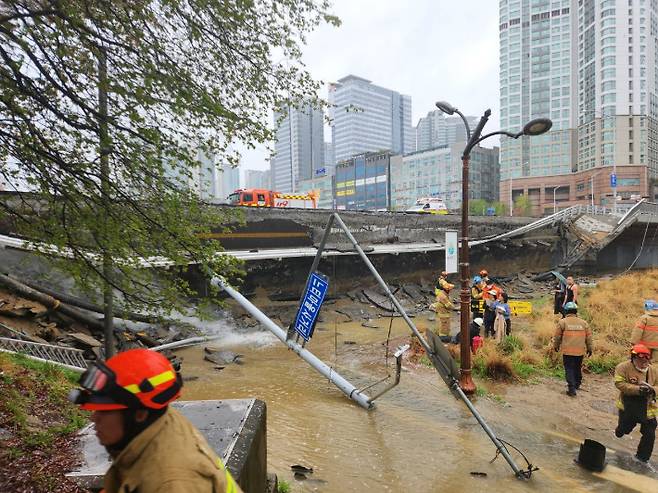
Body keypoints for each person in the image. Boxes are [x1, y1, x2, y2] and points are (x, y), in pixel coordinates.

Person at [69, 348, 243, 493]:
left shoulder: (172, 483)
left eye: (105, 412)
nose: (94, 418)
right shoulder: (159, 419)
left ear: (140, 414)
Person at [614, 344, 658, 464]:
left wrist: (653, 390)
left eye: (646, 360)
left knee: (649, 435)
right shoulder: (622, 367)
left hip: (649, 410)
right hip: (629, 408)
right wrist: (638, 390)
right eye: (641, 360)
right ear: (633, 358)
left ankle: (642, 458)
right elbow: (619, 383)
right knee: (625, 429)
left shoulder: (654, 371)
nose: (644, 363)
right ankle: (620, 430)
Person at [553, 301, 593, 397]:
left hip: (567, 351)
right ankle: (577, 384)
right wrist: (589, 348)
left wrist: (556, 346)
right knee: (577, 367)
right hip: (579, 351)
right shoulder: (584, 323)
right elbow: (589, 337)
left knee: (569, 368)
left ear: (566, 311)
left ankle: (571, 389)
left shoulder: (562, 322)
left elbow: (557, 337)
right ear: (576, 311)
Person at [431, 275, 455, 339]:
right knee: (444, 326)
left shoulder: (442, 293)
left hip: (444, 313)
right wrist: (454, 307)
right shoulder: (443, 296)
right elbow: (449, 305)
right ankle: (443, 338)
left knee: (445, 326)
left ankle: (444, 335)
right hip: (443, 314)